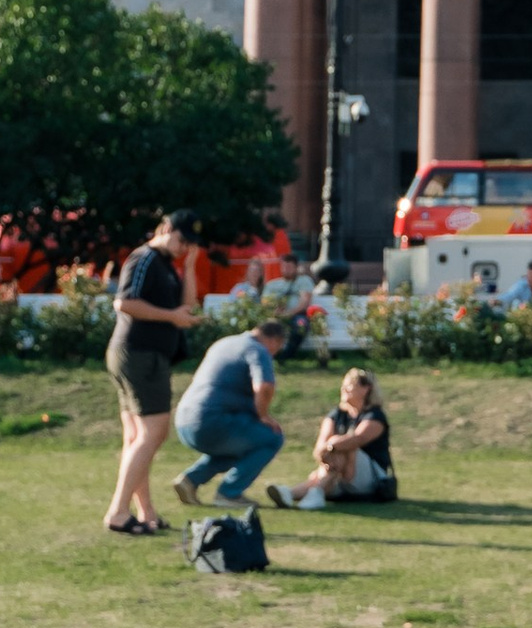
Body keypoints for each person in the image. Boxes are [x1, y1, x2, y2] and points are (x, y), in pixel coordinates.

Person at [102, 212, 198, 536]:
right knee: (153, 434)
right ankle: (117, 511)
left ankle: (145, 512)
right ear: (166, 229)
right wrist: (170, 316)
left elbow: (188, 307)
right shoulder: (144, 258)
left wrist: (190, 267)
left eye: (189, 244)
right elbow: (125, 302)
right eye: (181, 240)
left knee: (137, 438)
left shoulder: (166, 264)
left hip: (142, 355)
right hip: (139, 354)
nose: (184, 247)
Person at [174, 317, 289, 509]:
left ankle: (190, 480)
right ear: (275, 340)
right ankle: (229, 493)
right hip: (212, 421)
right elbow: (265, 386)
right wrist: (263, 416)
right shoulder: (257, 349)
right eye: (278, 348)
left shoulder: (225, 342)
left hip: (184, 420)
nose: (275, 354)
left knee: (243, 446)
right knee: (272, 437)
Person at [272, 366, 396, 511]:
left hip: (369, 480)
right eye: (343, 385)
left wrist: (332, 445)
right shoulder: (336, 415)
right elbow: (319, 449)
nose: (344, 389)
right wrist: (327, 453)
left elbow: (357, 439)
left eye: (350, 385)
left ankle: (303, 492)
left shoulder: (375, 416)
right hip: (338, 475)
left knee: (347, 447)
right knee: (334, 456)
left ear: (366, 389)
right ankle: (296, 494)